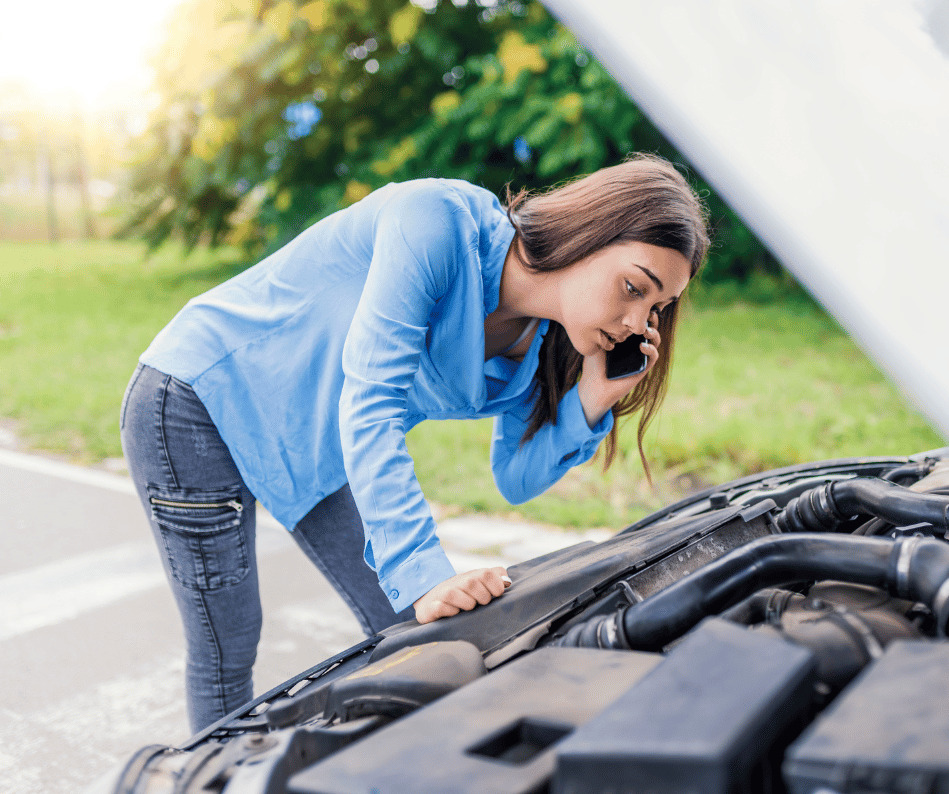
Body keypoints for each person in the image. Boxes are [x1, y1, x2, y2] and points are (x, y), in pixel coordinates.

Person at [119, 153, 709, 732]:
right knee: (230, 641)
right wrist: (424, 574)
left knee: (414, 633)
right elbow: (370, 402)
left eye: (657, 307)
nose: (638, 322)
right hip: (200, 400)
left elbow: (515, 477)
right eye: (634, 286)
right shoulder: (435, 221)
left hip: (315, 448)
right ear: (588, 232)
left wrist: (590, 401)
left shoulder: (539, 347)